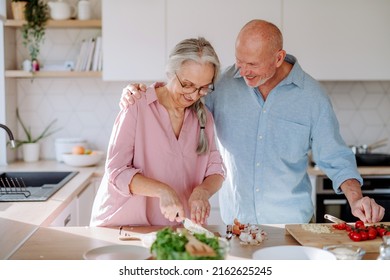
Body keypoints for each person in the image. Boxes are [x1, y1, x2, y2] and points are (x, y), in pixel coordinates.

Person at [119, 19, 385, 224]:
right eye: (239, 62)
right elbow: (181, 100)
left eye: (253, 65)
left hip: (292, 227)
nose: (243, 72)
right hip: (235, 225)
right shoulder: (221, 86)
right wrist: (139, 92)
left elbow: (336, 158)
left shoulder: (312, 98)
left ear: (278, 58)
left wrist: (356, 198)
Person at [90, 37, 225, 227]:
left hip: (176, 227)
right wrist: (162, 190)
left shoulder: (204, 118)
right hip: (124, 227)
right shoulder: (136, 104)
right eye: (187, 84)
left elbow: (216, 169)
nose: (193, 95)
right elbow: (116, 172)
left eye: (203, 88)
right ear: (171, 72)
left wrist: (203, 191)